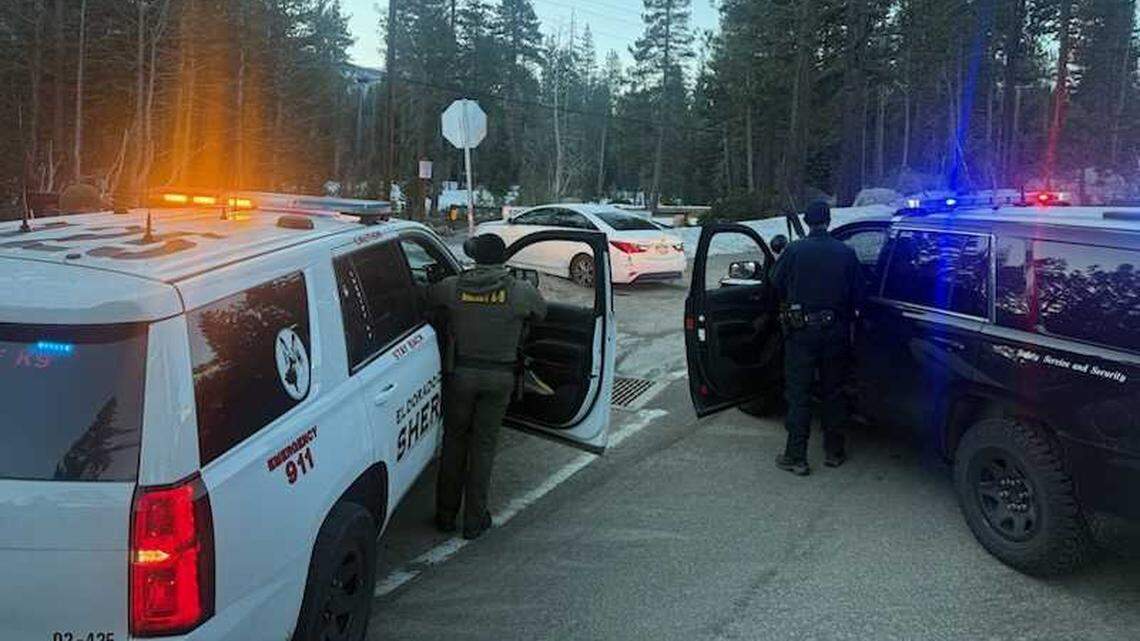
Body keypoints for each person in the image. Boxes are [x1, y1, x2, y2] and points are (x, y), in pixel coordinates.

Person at [427, 234, 547, 539]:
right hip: (499, 379)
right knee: (483, 448)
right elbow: (541, 313)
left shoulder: (452, 286)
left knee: (454, 443)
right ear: (502, 258)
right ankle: (474, 520)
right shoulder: (521, 291)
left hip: (460, 376)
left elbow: (427, 299)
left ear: (475, 257)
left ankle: (445, 515)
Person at [769, 201, 864, 476]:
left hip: (801, 333)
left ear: (807, 221)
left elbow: (774, 282)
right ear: (829, 221)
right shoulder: (846, 252)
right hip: (835, 332)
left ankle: (796, 457)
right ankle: (834, 452)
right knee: (833, 392)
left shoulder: (794, 250)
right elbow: (860, 293)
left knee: (799, 394)